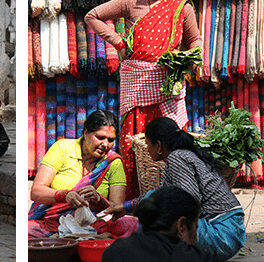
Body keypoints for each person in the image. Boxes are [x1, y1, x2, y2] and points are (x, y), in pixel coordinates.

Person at [85, 0, 202, 199]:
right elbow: (92, 16)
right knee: (134, 148)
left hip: (167, 89)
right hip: (137, 87)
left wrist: (185, 63)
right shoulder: (130, 0)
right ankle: (132, 208)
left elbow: (195, 43)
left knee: (173, 145)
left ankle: (175, 200)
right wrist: (119, 43)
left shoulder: (181, 5)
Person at [103, 117, 244, 261]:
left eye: (147, 144)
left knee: (160, 223)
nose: (147, 148)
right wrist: (126, 207)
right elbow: (161, 193)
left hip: (222, 233)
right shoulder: (184, 155)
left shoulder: (177, 157)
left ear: (158, 145)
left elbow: (187, 200)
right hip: (230, 230)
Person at [28, 110, 136, 239]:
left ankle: (70, 237)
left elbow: (116, 208)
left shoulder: (113, 162)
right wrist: (65, 195)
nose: (105, 144)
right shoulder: (62, 148)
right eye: (100, 137)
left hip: (92, 222)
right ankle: (81, 237)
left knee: (130, 224)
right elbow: (36, 192)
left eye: (111, 140)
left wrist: (100, 201)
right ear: (86, 133)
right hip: (53, 221)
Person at [103, 185, 212, 262]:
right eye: (195, 227)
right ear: (181, 225)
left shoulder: (115, 251)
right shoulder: (196, 257)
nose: (195, 238)